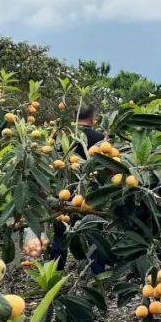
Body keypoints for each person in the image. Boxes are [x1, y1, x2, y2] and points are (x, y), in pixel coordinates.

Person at [48, 104, 106, 270]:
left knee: (60, 235)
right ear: (92, 119)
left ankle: (54, 274)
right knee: (95, 235)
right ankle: (97, 274)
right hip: (92, 195)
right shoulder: (100, 138)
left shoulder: (62, 138)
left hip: (64, 192)